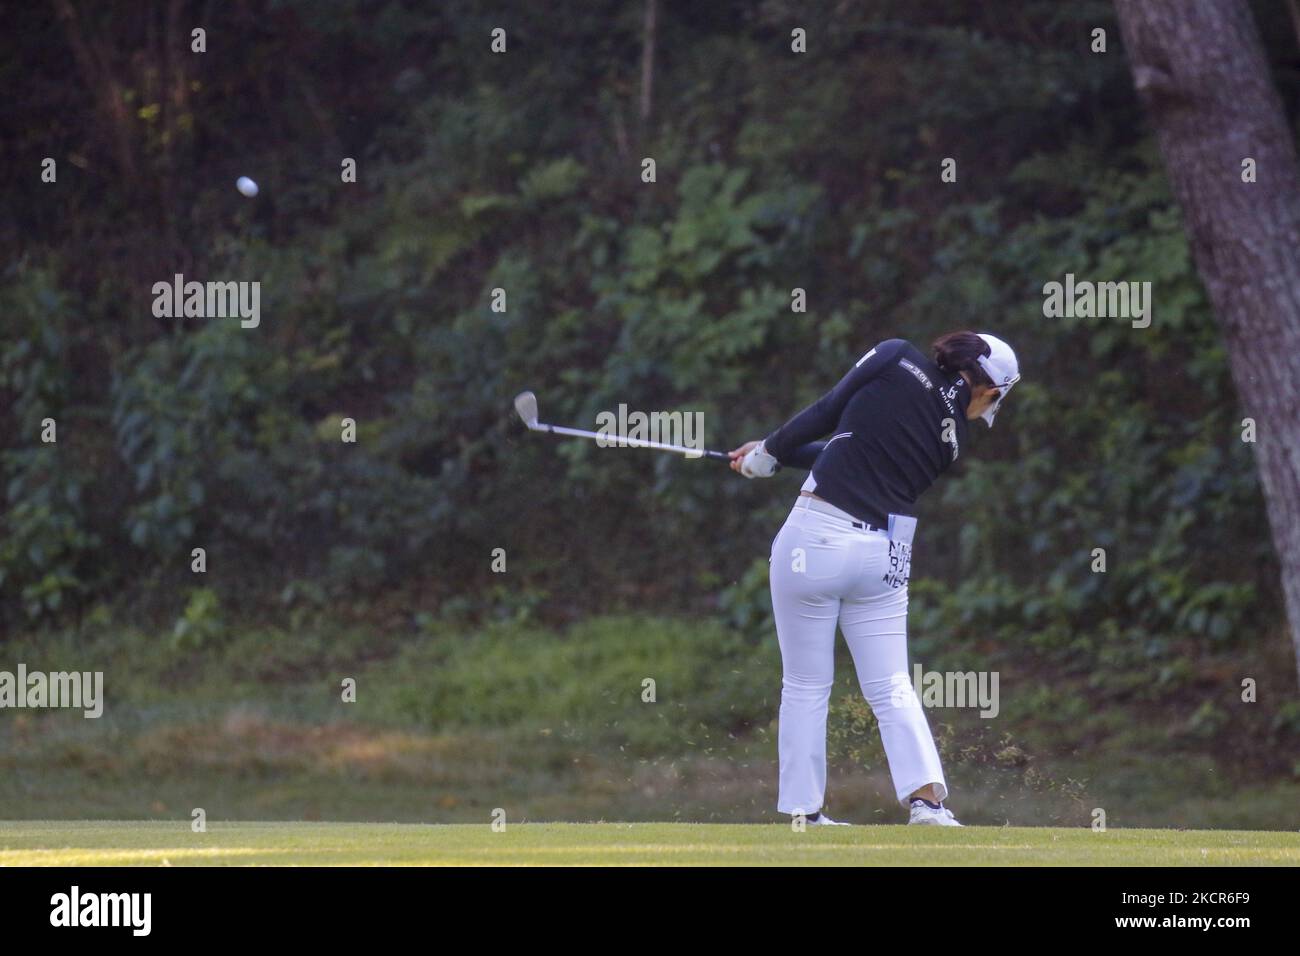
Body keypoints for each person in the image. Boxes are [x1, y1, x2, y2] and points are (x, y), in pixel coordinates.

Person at [729, 332, 1020, 826]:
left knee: (805, 683)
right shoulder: (956, 438)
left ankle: (805, 813)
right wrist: (772, 452)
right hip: (882, 559)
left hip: (815, 541)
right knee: (892, 684)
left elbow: (831, 411)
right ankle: (929, 806)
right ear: (990, 392)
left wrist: (771, 451)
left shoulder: (896, 356)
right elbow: (853, 447)